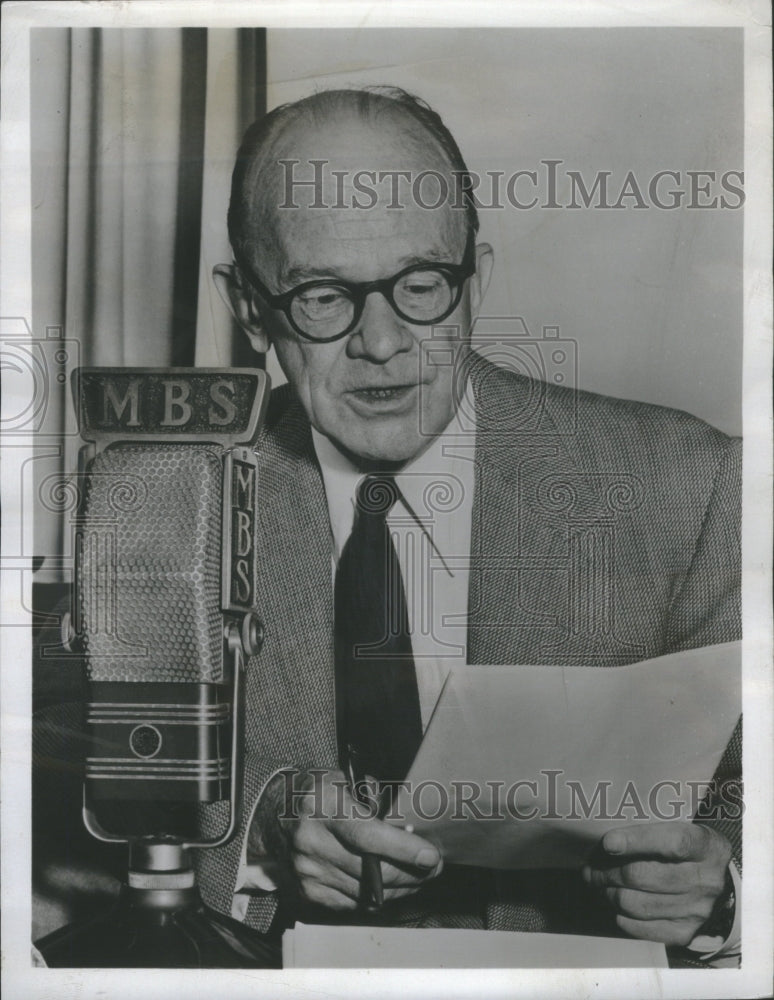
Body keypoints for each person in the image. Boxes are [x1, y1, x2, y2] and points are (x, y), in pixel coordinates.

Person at [198, 86, 741, 966]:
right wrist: (262, 831)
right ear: (250, 305)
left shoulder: (687, 483)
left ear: (476, 280)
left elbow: (751, 785)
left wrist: (725, 884)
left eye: (421, 285)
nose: (382, 342)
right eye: (323, 296)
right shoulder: (167, 503)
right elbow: (75, 781)